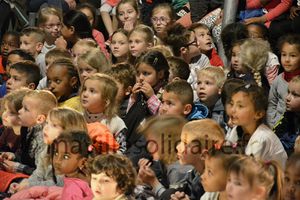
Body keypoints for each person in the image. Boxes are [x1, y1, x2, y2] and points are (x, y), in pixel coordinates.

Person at [8, 107, 88, 193]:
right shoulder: (47, 149)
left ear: (70, 131)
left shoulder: (73, 155)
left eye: (54, 125)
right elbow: (38, 174)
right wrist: (24, 184)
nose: (45, 128)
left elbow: (61, 183)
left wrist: (30, 186)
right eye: (47, 123)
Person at [226, 84, 287, 167]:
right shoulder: (237, 129)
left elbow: (247, 170)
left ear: (258, 114)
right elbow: (226, 156)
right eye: (232, 104)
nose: (233, 110)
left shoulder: (262, 138)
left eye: (240, 106)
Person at [0, 90, 57, 176]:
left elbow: (44, 175)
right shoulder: (26, 128)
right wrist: (14, 156)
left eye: (25, 109)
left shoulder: (45, 140)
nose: (19, 111)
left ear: (40, 119)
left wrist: (17, 167)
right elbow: (26, 158)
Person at [166, 119, 225, 200]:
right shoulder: (195, 173)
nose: (178, 147)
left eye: (185, 143)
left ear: (204, 155)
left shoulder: (211, 184)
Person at [137, 115, 190, 198]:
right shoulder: (167, 163)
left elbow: (170, 198)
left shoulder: (178, 169)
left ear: (166, 143)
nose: (148, 146)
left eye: (152, 142)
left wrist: (153, 182)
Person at [80, 73, 127, 153]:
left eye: (92, 91)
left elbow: (122, 151)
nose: (85, 94)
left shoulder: (116, 123)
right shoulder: (78, 118)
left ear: (106, 101)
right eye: (84, 89)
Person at [163, 23, 210, 98]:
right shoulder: (170, 67)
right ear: (183, 50)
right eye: (195, 42)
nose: (198, 43)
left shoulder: (202, 59)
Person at [268, 34, 300, 128]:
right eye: (284, 54)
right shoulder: (278, 79)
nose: (287, 60)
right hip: (277, 127)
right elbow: (272, 103)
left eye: (293, 56)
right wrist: (272, 124)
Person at [52, 130, 93, 199]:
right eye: (56, 153)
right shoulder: (87, 178)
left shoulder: (73, 189)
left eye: (66, 157)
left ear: (82, 162)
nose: (57, 161)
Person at [274, 75, 300, 155]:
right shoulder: (289, 114)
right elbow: (276, 134)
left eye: (295, 95)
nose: (287, 98)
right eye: (288, 92)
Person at [0, 89, 31, 153]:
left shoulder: (27, 135)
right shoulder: (8, 129)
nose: (4, 114)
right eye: (5, 109)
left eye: (11, 113)